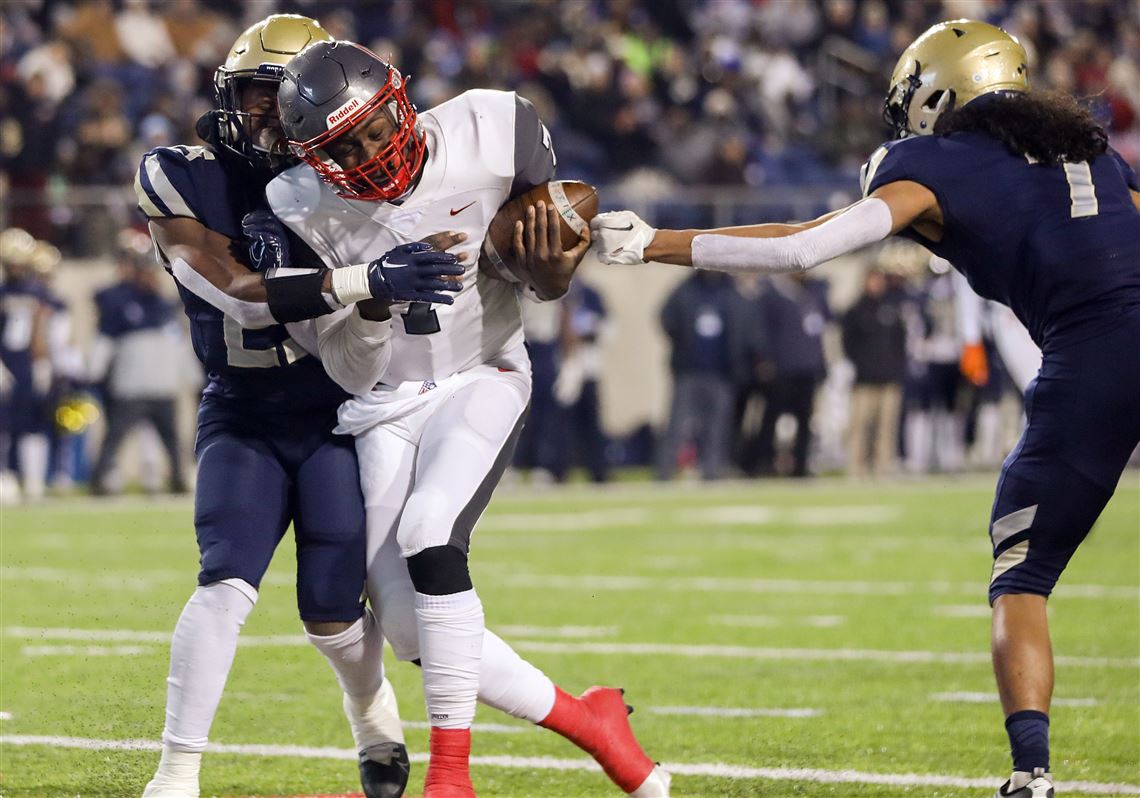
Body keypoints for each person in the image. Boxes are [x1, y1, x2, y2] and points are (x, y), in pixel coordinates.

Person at [592, 19, 1140, 798]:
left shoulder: (931, 162)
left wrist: (653, 242)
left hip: (1091, 359)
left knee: (1024, 576)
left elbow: (800, 249)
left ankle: (1032, 775)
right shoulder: (1095, 153)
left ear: (941, 94)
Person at [270, 40, 670, 798]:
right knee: (412, 630)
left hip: (484, 372)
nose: (371, 151)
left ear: (401, 98)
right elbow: (349, 369)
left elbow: (545, 260)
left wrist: (552, 267)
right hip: (383, 406)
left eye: (377, 126)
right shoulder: (298, 206)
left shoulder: (493, 125)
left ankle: (451, 778)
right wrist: (375, 298)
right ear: (314, 159)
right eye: (343, 147)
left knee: (429, 534)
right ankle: (595, 723)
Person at [132, 15, 465, 798]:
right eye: (255, 94)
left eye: (284, 100)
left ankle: (371, 715)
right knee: (225, 582)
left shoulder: (345, 185)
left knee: (331, 610)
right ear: (229, 93)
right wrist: (365, 280)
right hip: (242, 409)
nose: (268, 117)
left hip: (337, 413)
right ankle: (177, 773)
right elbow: (240, 299)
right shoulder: (183, 172)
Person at [89, 231, 190, 495]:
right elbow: (107, 338)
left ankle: (178, 479)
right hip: (131, 382)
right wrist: (95, 371)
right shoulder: (120, 301)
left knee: (170, 439)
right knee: (116, 435)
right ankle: (100, 479)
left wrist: (186, 375)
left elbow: (175, 343)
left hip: (161, 383)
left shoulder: (164, 304)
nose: (151, 276)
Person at [841, 267, 907, 477]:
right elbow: (847, 343)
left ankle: (883, 467)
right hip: (864, 379)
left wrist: (897, 367)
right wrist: (860, 364)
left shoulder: (891, 309)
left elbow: (900, 341)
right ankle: (856, 467)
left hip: (889, 378)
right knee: (860, 425)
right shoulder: (855, 310)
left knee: (886, 426)